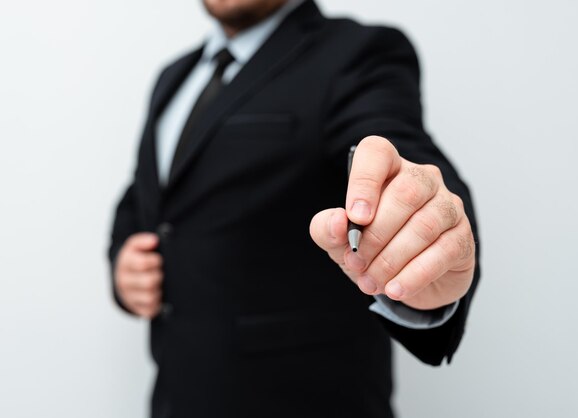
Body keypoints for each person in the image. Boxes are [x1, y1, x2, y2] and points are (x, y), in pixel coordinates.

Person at [108, 0, 480, 417]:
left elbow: (398, 151)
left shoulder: (357, 53)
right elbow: (146, 200)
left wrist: (430, 235)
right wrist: (124, 266)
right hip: (176, 399)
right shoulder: (173, 77)